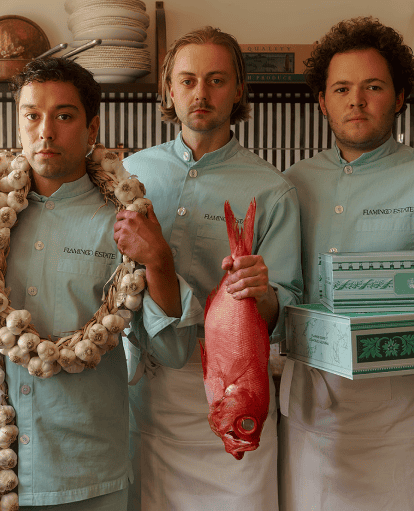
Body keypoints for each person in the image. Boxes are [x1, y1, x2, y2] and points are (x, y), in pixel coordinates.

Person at [120, 26, 303, 511]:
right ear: (168, 90)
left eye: (217, 80)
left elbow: (282, 314)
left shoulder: (272, 190)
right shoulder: (131, 174)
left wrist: (262, 291)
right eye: (187, 80)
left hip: (236, 386)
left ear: (239, 90)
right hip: (143, 387)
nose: (201, 93)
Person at [7, 57, 202, 510]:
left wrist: (158, 257)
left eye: (64, 115)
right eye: (32, 115)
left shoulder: (125, 220)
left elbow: (173, 350)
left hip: (89, 474)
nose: (46, 131)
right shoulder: (3, 214)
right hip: (6, 470)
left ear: (92, 127)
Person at [279, 16, 414, 511]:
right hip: (307, 408)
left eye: (373, 86)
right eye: (342, 88)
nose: (356, 100)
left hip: (399, 413)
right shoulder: (291, 183)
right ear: (323, 101)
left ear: (400, 97)